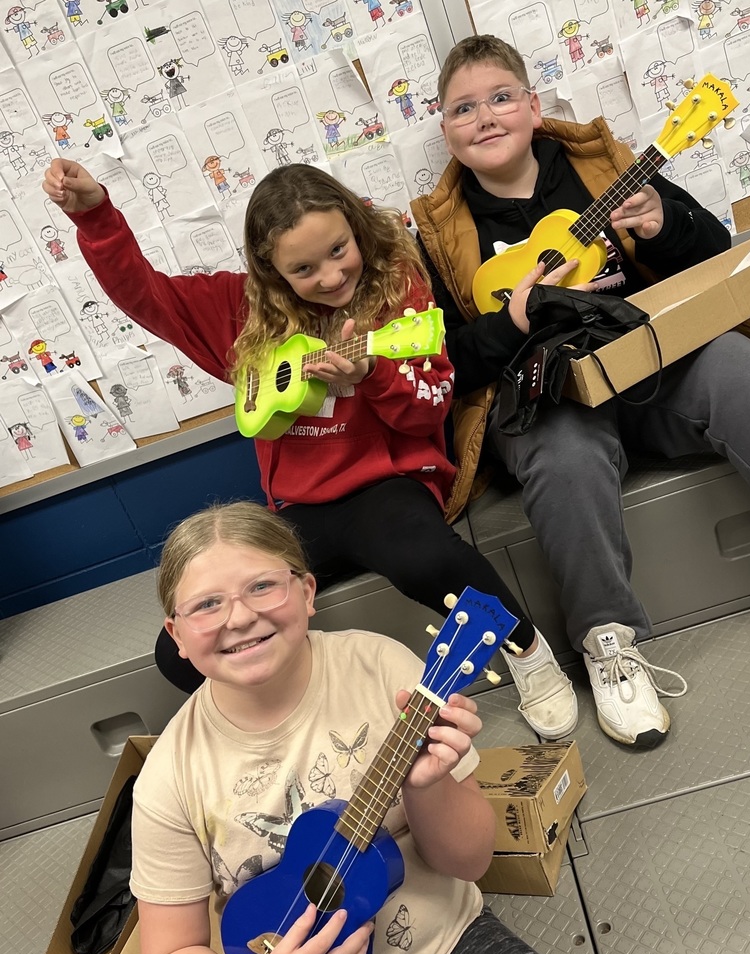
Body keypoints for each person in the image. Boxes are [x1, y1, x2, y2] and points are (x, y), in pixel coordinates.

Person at [42, 158, 579, 740]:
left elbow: (431, 406)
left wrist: (373, 373)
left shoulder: (397, 290)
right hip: (296, 513)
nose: (329, 276)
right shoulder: (238, 311)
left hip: (387, 487)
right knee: (180, 654)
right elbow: (144, 294)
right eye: (302, 268)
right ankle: (295, 715)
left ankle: (528, 654)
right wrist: (95, 215)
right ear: (269, 270)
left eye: (339, 250)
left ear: (355, 227)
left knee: (428, 560)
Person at [411, 33, 750, 749]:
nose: (484, 117)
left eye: (501, 97)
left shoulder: (604, 167)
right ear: (445, 131)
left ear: (535, 107)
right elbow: (447, 360)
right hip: (544, 400)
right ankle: (611, 644)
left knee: (735, 365)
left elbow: (711, 261)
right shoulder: (438, 232)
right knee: (562, 452)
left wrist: (665, 227)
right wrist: (511, 323)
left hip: (653, 368)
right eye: (462, 109)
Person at [130, 499, 605, 954]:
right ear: (176, 637)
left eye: (262, 585)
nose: (240, 617)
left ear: (307, 593)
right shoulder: (168, 776)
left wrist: (429, 787)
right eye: (206, 605)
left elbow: (470, 863)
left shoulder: (386, 671)